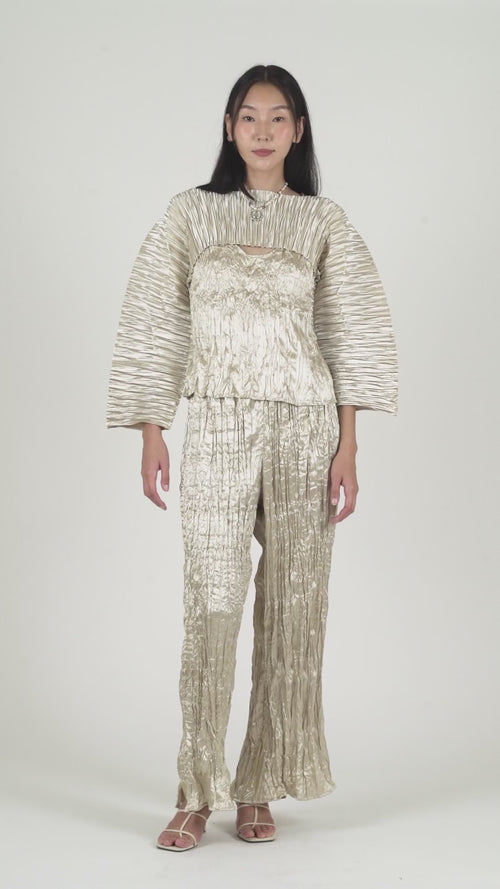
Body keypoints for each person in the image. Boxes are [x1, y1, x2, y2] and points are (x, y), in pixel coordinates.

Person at [106, 63, 399, 851]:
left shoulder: (323, 221)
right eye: (248, 116)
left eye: (277, 117)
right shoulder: (191, 213)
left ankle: (260, 782)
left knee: (294, 606)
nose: (262, 131)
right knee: (212, 600)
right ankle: (197, 786)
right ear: (229, 128)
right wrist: (153, 426)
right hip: (219, 420)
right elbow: (156, 317)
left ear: (298, 130)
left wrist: (349, 444)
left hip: (306, 426)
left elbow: (345, 332)